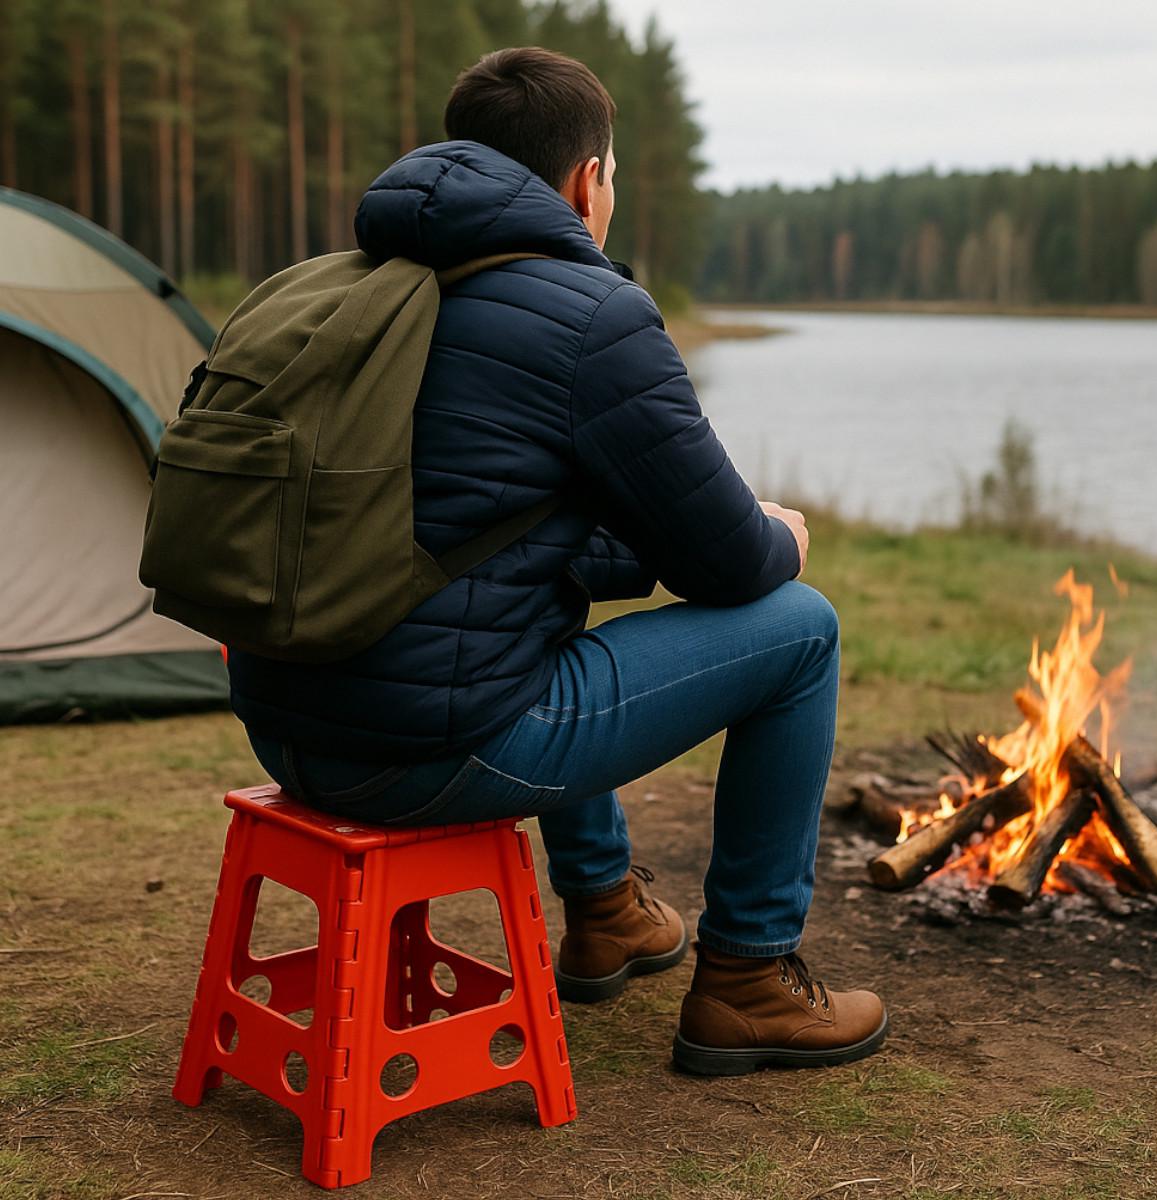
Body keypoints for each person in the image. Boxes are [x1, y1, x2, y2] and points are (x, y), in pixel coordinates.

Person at [232, 46, 886, 1075]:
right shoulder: (592, 315)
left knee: (528, 612)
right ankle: (750, 982)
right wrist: (779, 539)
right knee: (802, 629)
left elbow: (483, 534)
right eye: (613, 175)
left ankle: (606, 912)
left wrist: (642, 548)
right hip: (436, 750)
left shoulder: (353, 291)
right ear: (589, 181)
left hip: (290, 730)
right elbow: (728, 567)